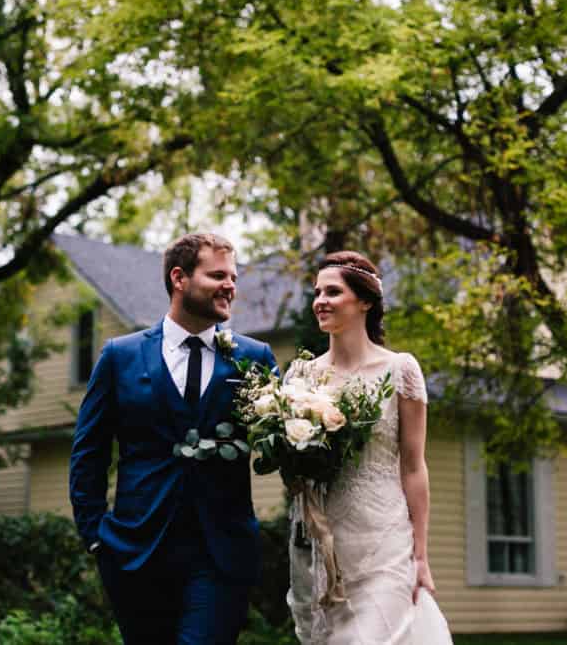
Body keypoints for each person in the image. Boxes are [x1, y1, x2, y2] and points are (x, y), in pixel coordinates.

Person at [69, 233, 278, 644]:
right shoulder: (120, 356)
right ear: (179, 278)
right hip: (134, 552)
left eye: (233, 276)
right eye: (217, 275)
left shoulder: (254, 358)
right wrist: (96, 537)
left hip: (221, 555)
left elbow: (281, 444)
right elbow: (88, 452)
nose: (230, 286)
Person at [287, 251, 453, 644]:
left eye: (333, 291)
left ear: (364, 301)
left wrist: (421, 556)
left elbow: (413, 466)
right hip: (322, 538)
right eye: (317, 292)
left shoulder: (400, 371)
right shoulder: (302, 375)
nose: (320, 301)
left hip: (384, 538)